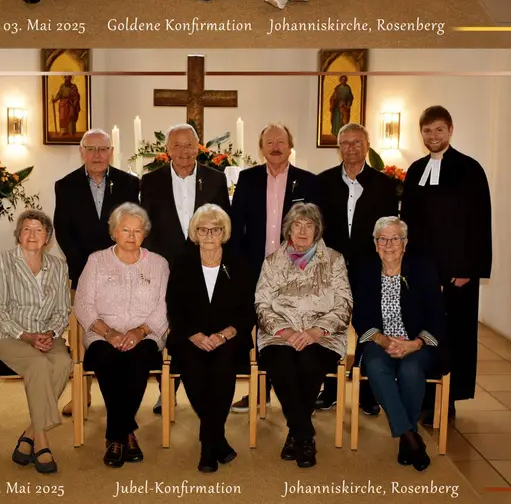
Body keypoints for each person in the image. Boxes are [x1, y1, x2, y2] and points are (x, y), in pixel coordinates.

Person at [401, 105, 492, 420]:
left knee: (455, 334)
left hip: (458, 272)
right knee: (422, 332)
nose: (433, 135)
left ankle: (449, 398)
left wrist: (468, 268)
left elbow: (480, 222)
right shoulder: (415, 170)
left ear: (451, 130)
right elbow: (407, 223)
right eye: (427, 130)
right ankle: (424, 395)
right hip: (422, 271)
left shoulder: (470, 169)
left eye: (439, 129)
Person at [254, 201, 352, 468]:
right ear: (287, 229)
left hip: (323, 334)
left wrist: (314, 332)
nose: (302, 231)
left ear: (317, 230)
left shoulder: (333, 259)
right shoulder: (273, 261)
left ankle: (296, 433)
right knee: (282, 365)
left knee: (309, 364)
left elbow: (344, 304)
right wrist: (286, 332)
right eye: (297, 225)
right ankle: (304, 434)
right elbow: (261, 304)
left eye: (309, 225)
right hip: (279, 334)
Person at [75, 203, 169, 468]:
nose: (131, 235)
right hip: (102, 334)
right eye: (125, 229)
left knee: (138, 362)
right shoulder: (96, 260)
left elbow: (165, 306)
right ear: (113, 232)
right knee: (107, 361)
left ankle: (115, 436)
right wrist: (108, 332)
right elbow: (83, 303)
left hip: (146, 335)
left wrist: (140, 332)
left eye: (137, 231)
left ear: (145, 234)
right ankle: (125, 432)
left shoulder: (159, 264)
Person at [230, 123, 317, 412]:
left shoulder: (307, 181)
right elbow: (237, 225)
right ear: (262, 147)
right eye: (270, 142)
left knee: (290, 324)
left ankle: (293, 387)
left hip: (295, 269)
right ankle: (259, 391)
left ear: (290, 146)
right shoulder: (247, 178)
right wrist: (239, 266)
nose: (276, 146)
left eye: (281, 141)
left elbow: (314, 228)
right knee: (259, 325)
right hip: (256, 267)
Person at [314, 121, 400, 413]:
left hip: (369, 266)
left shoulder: (385, 184)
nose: (351, 148)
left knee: (368, 325)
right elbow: (317, 226)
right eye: (345, 143)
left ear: (367, 145)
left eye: (357, 142)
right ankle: (330, 389)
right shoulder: (323, 181)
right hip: (331, 266)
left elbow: (388, 230)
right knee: (331, 325)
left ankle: (366, 391)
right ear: (339, 147)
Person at [352, 216, 446, 471]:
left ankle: (407, 437)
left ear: (405, 243)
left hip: (417, 343)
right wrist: (383, 340)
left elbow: (438, 316)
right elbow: (359, 317)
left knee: (410, 370)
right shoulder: (366, 269)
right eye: (382, 238)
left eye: (395, 238)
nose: (388, 244)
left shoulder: (422, 267)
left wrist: (414, 344)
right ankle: (410, 436)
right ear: (375, 243)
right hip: (378, 341)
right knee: (375, 367)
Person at [167, 204, 251, 472]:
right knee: (192, 367)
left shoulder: (239, 262)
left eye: (215, 229)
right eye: (203, 229)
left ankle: (207, 444)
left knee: (222, 368)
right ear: (195, 232)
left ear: (223, 232)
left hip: (229, 338)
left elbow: (248, 310)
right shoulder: (181, 262)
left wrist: (224, 335)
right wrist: (194, 335)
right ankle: (217, 440)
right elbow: (174, 306)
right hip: (190, 337)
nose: (209, 234)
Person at [0, 208, 72, 474]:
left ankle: (29, 434)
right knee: (38, 365)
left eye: (39, 230)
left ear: (47, 237)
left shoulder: (58, 266)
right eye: (27, 229)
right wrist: (26, 336)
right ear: (18, 235)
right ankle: (42, 442)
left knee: (62, 363)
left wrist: (49, 334)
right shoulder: (4, 261)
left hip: (46, 334)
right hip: (8, 335)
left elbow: (62, 310)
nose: (32, 234)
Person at [53, 128, 142, 287]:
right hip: (82, 272)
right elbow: (63, 232)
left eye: (103, 149)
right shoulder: (65, 186)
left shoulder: (129, 183)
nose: (97, 155)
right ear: (81, 151)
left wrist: (121, 260)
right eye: (91, 149)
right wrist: (87, 265)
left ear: (111, 151)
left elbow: (136, 227)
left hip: (123, 271)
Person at [140, 124, 231, 268]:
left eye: (189, 144)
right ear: (168, 149)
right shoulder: (151, 181)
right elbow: (146, 225)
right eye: (177, 145)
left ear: (198, 146)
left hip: (206, 262)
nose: (184, 151)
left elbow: (225, 225)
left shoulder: (216, 179)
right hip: (163, 263)